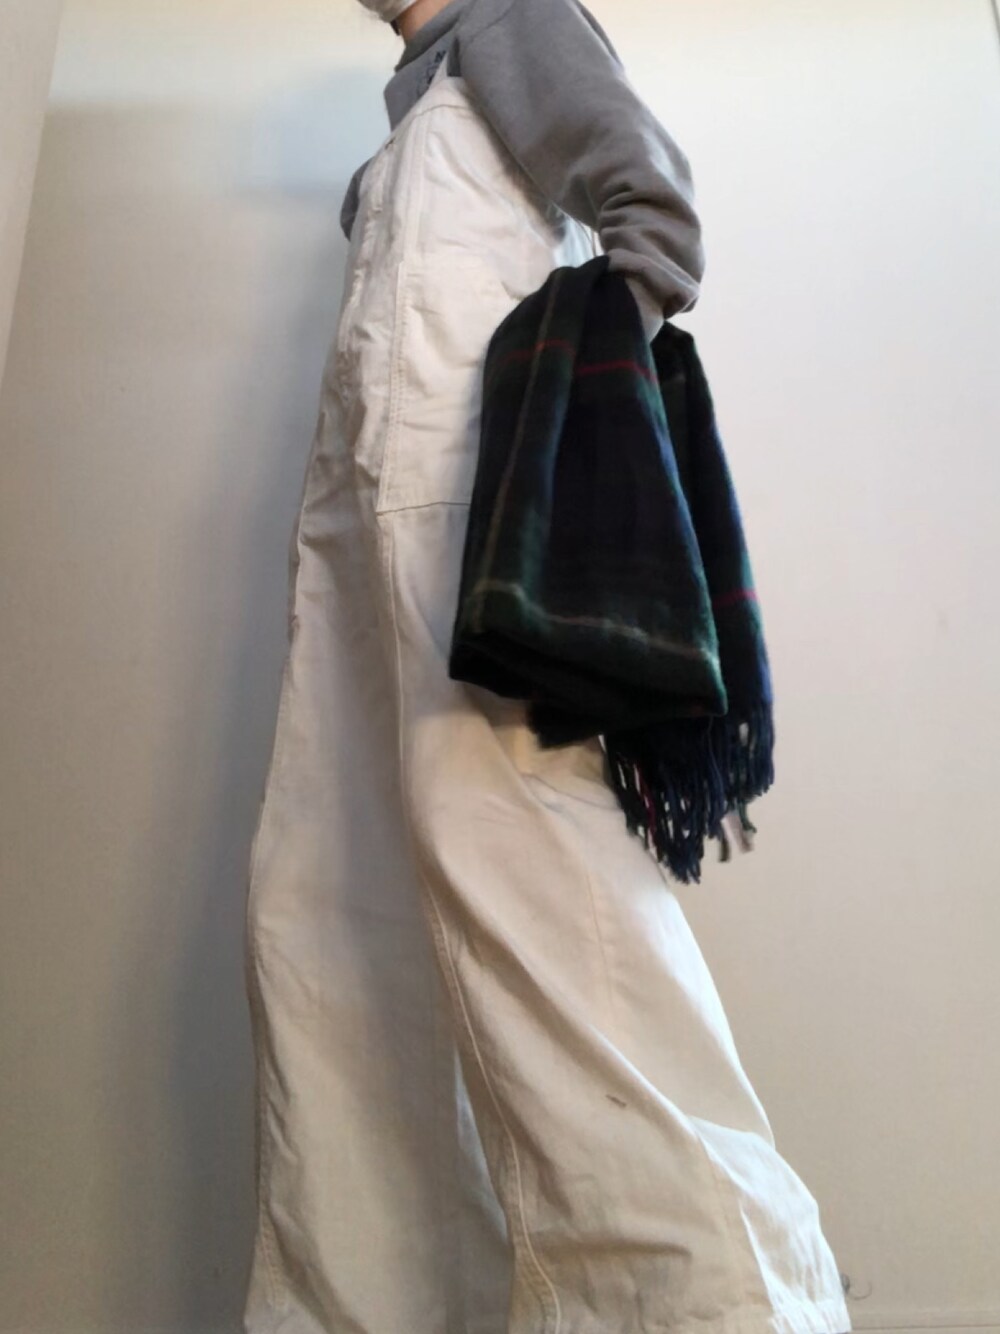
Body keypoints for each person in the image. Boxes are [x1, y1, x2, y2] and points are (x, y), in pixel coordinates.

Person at [242, 2, 855, 1332]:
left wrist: (581, 391)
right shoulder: (411, 113)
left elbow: (652, 204)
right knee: (327, 908)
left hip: (459, 504)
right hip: (353, 528)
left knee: (520, 855)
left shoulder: (510, 20)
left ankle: (708, 1304)